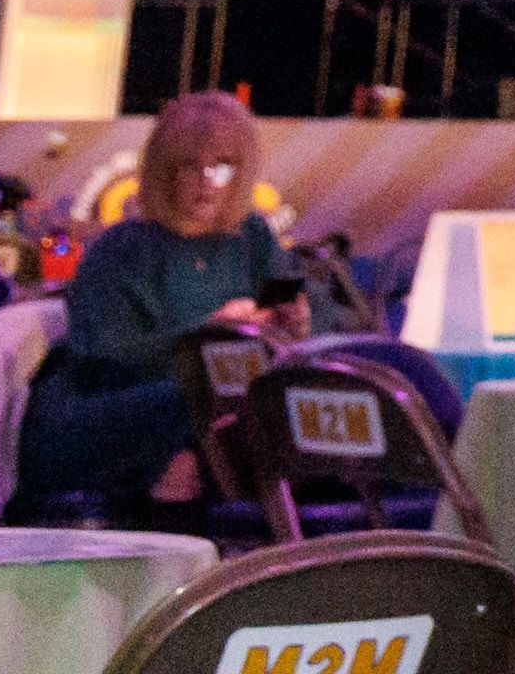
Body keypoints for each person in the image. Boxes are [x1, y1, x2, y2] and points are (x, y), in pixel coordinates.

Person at [16, 93, 301, 512]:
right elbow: (107, 361)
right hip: (113, 412)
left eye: (222, 166)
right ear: (163, 172)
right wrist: (207, 336)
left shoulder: (253, 237)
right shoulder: (120, 250)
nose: (207, 181)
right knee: (201, 403)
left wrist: (294, 320)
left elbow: (298, 307)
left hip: (224, 408)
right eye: (190, 166)